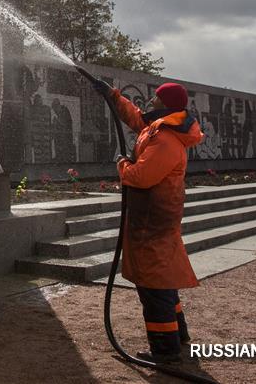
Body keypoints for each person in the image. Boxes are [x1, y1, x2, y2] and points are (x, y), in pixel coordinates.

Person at [95, 80, 204, 363]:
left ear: (165, 104)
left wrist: (122, 164)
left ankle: (165, 351)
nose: (150, 101)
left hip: (153, 223)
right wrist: (112, 95)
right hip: (151, 220)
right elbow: (136, 118)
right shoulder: (160, 127)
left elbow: (142, 177)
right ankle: (178, 337)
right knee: (162, 280)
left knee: (154, 285)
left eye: (155, 98)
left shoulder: (166, 139)